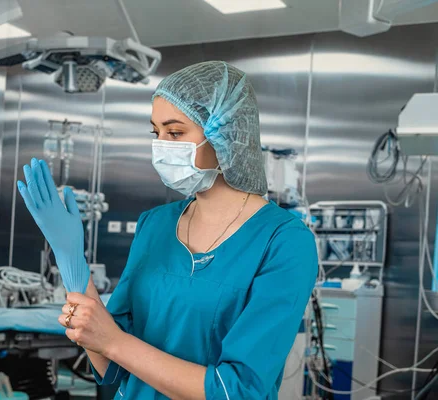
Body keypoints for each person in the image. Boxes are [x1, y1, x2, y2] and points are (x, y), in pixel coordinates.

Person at [17, 61, 318, 399]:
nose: (161, 145)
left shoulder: (284, 241)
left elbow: (238, 390)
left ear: (227, 135)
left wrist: (114, 342)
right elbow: (111, 365)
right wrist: (72, 261)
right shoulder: (155, 224)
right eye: (155, 132)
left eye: (175, 133)